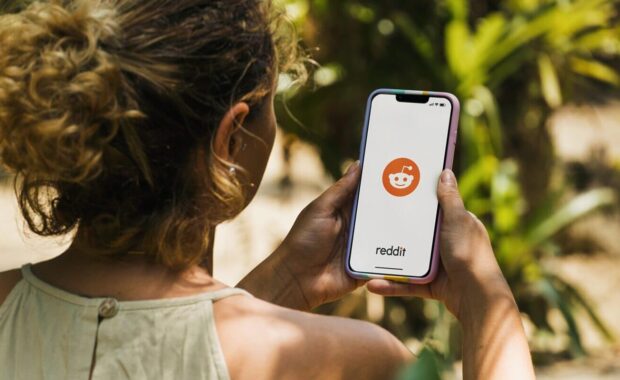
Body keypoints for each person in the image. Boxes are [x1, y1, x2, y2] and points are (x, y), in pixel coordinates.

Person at [0, 0, 535, 379]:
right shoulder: (352, 363)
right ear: (231, 137)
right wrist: (486, 301)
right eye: (271, 107)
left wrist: (281, 283)